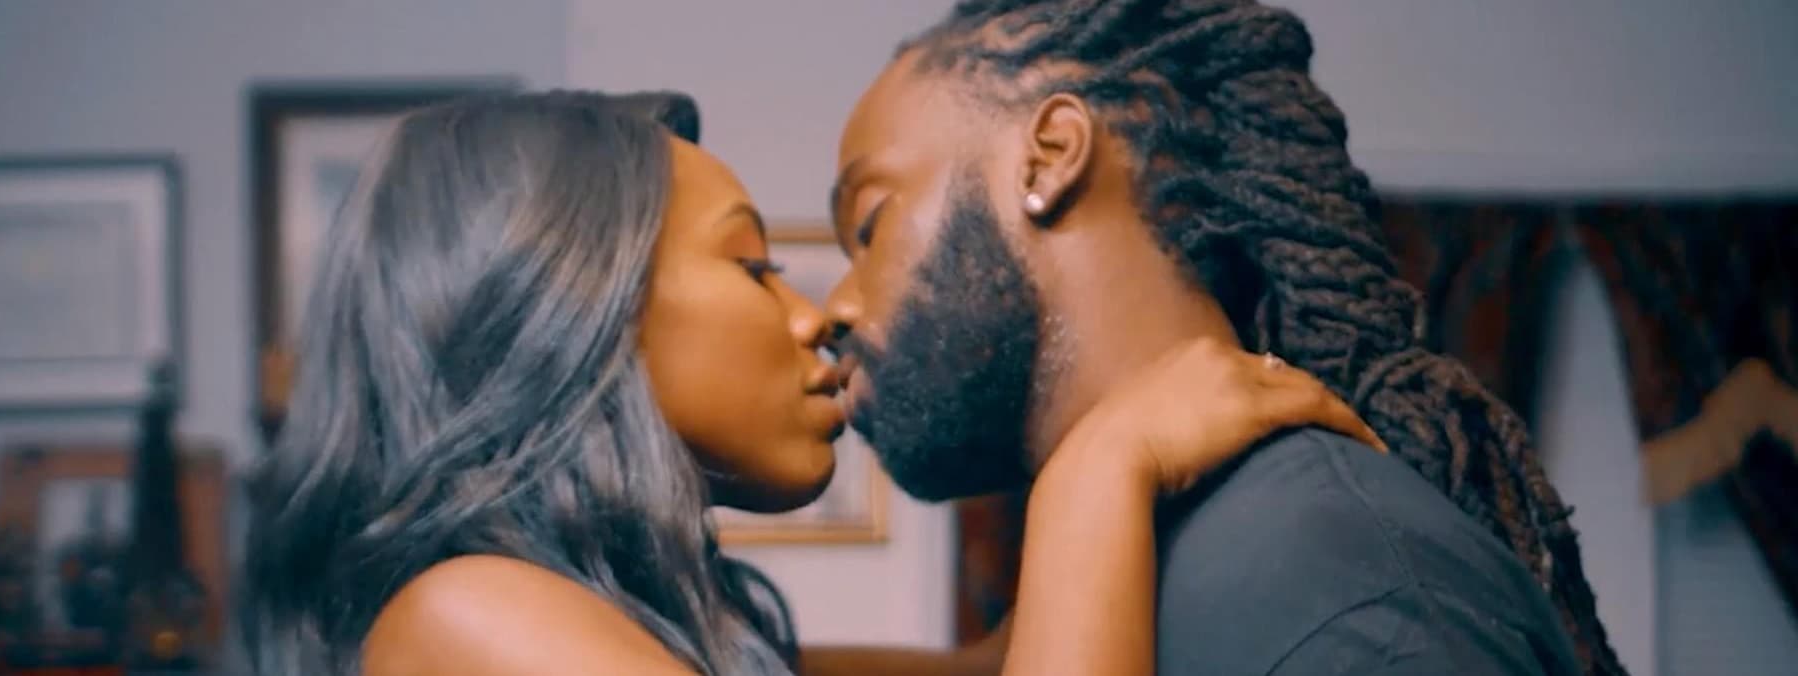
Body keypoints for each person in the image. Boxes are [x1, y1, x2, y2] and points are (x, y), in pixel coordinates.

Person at [237, 90, 1379, 675]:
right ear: (577, 311)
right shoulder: (469, 617)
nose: (813, 313)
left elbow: (996, 671)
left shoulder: (676, 633)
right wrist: (1106, 468)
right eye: (751, 264)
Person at [819, 1, 1623, 674]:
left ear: (1050, 157)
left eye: (869, 225)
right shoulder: (1121, 564)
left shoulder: (1337, 585)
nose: (833, 310)